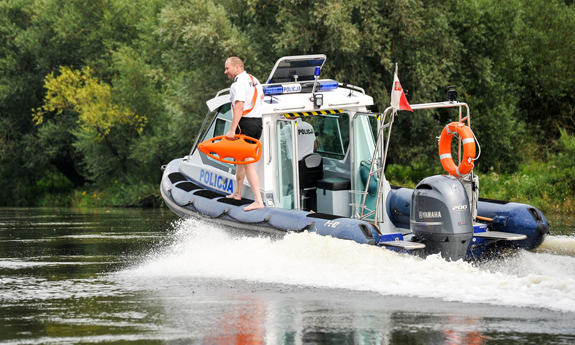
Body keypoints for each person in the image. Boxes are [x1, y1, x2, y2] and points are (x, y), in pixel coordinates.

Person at [224, 57, 265, 211]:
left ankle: (258, 201)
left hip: (245, 124)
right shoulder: (254, 79)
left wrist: (232, 129)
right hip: (257, 123)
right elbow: (261, 97)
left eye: (227, 68)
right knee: (241, 158)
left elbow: (239, 105)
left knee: (247, 161)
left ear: (237, 67)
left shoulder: (239, 82)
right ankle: (237, 192)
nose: (225, 71)